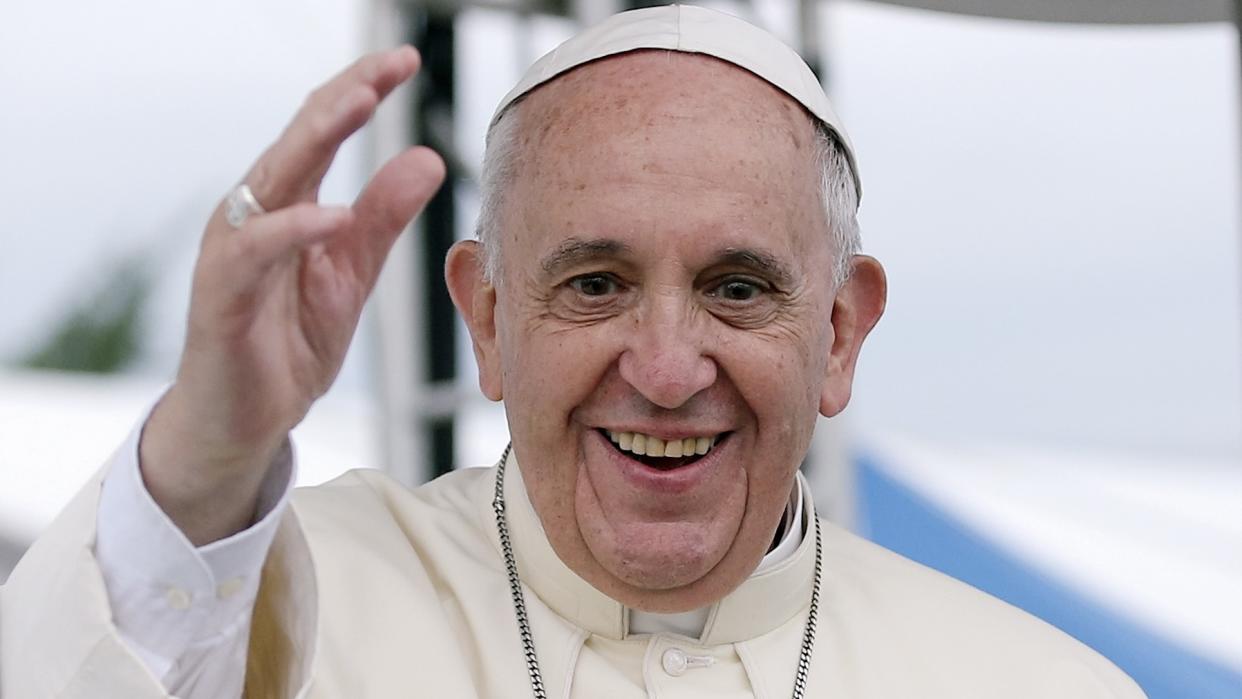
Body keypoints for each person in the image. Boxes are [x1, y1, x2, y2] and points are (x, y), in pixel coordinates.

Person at [1, 5, 1144, 698]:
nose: (664, 368)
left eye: (736, 289)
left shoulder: (1041, 686)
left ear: (839, 332)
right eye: (594, 285)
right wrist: (207, 451)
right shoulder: (273, 611)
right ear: (488, 319)